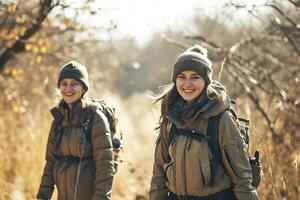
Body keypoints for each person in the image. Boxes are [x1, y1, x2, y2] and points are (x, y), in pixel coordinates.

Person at [149, 45, 260, 200]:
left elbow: (242, 178)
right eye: (182, 77)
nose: (187, 84)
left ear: (206, 80)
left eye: (195, 77)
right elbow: (159, 173)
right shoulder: (170, 119)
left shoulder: (221, 119)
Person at [36, 61, 114, 200]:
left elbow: (105, 167)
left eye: (74, 84)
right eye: (64, 83)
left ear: (84, 88)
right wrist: (43, 196)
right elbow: (51, 163)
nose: (68, 89)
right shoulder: (59, 120)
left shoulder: (95, 119)